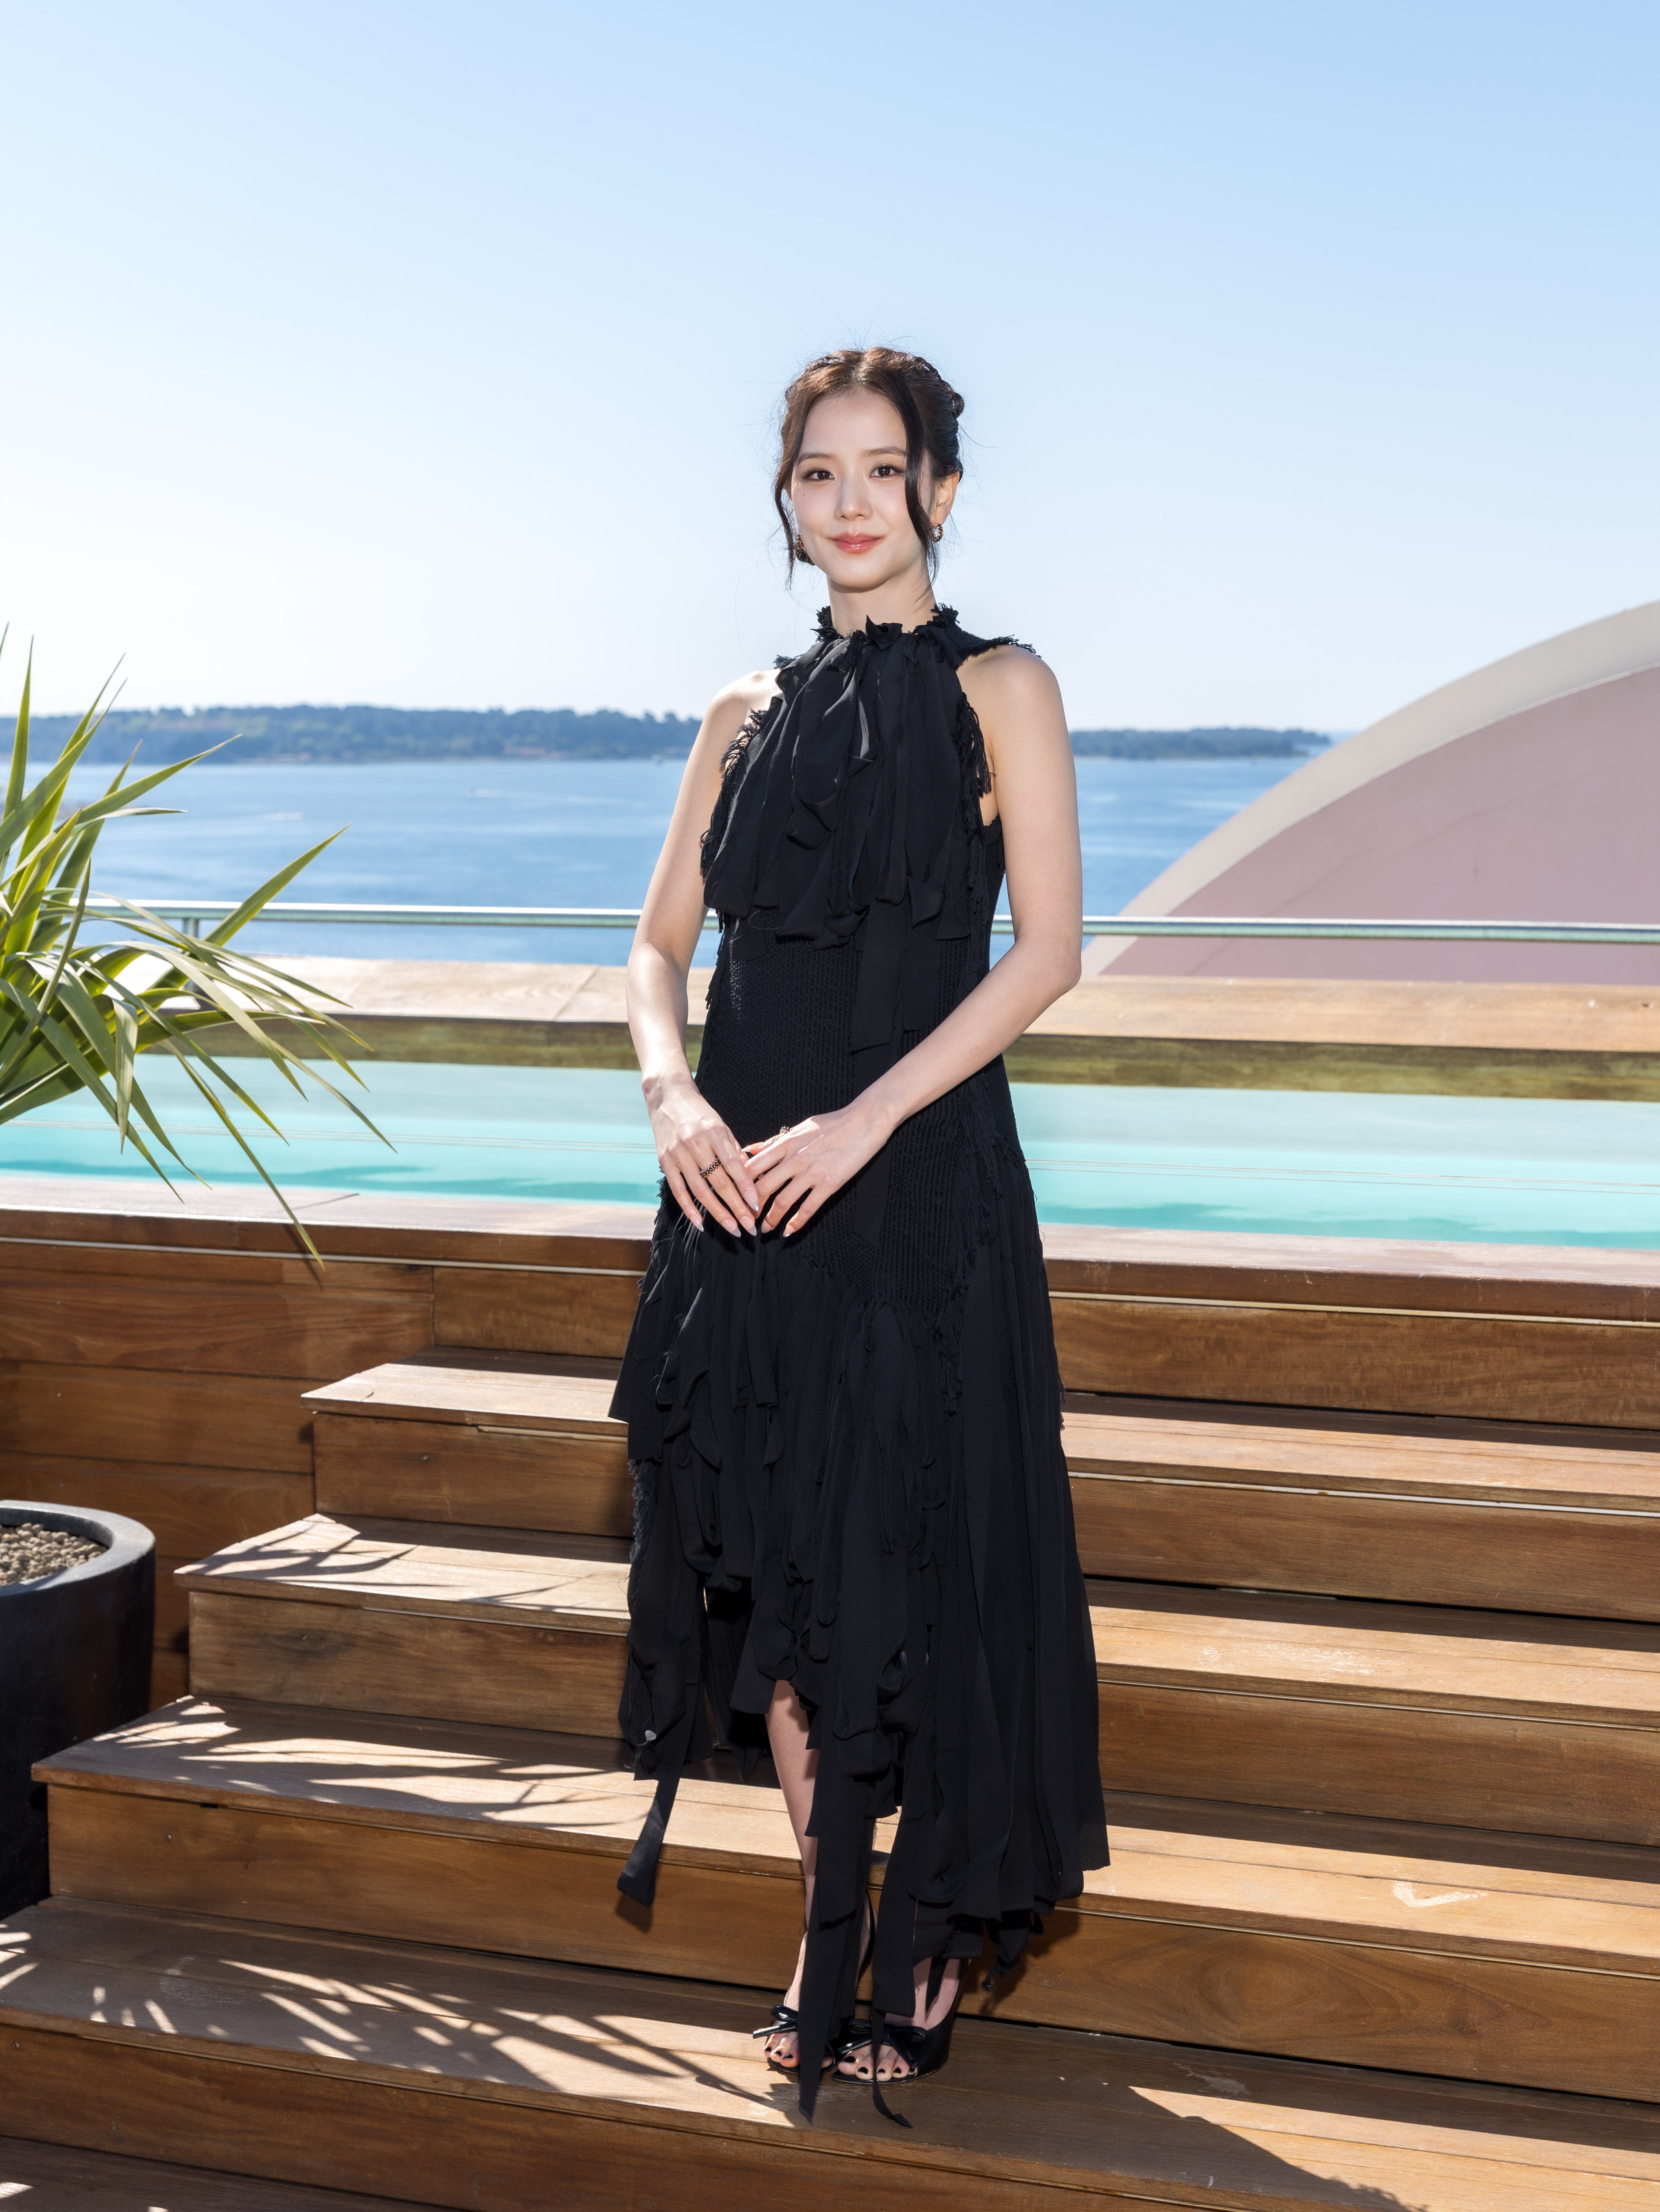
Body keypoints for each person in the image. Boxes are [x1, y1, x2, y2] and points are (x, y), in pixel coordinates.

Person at [611, 346, 1107, 2122]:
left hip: (913, 1177)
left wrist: (870, 1119)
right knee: (779, 1567)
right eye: (816, 471)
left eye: (882, 470)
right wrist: (675, 1101)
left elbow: (1050, 951)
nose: (847, 502)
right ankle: (833, 1926)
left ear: (940, 492)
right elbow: (657, 947)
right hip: (743, 1192)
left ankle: (922, 1929)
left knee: (919, 1561)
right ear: (787, 496)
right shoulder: (740, 709)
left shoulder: (1003, 686)